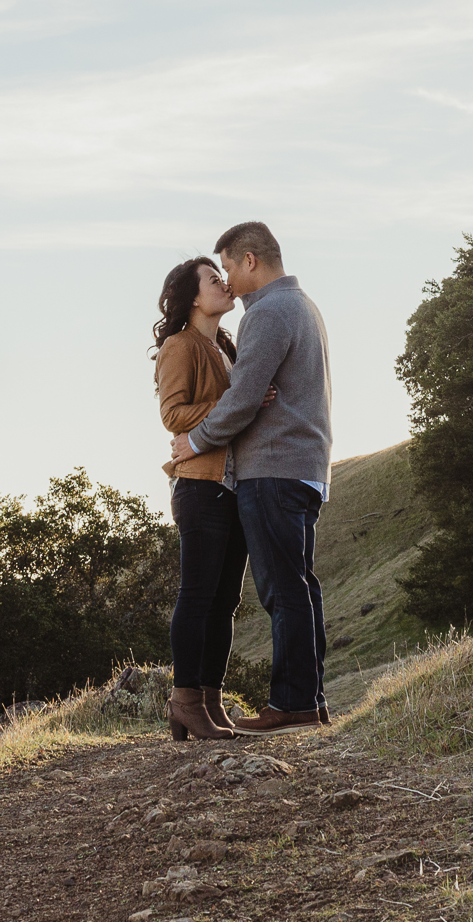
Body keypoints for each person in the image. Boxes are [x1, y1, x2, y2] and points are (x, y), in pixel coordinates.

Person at [167, 221, 333, 731]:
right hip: (297, 469)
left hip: (275, 470)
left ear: (250, 261)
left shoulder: (266, 315)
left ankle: (293, 703)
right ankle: (303, 699)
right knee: (297, 586)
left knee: (284, 590)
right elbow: (212, 402)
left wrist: (192, 443)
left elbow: (241, 401)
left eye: (229, 268)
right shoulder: (302, 306)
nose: (228, 281)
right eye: (215, 276)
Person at [153, 256, 248, 741]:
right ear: (193, 297)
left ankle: (210, 700)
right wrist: (237, 403)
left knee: (226, 600)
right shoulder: (180, 345)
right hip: (199, 484)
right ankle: (184, 698)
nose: (226, 284)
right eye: (215, 280)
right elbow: (173, 415)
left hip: (235, 486)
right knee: (198, 595)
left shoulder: (227, 346)